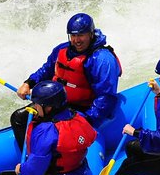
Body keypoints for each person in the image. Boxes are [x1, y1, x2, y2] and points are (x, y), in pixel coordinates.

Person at [10, 13, 121, 145]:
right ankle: (30, 156)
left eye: (81, 35)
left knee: (52, 129)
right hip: (57, 104)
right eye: (73, 35)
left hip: (83, 110)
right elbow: (46, 69)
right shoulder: (62, 49)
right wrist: (29, 83)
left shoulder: (102, 59)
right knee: (18, 118)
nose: (76, 40)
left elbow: (106, 97)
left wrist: (88, 121)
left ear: (91, 34)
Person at [0, 81, 97, 175]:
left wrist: (22, 169)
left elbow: (33, 172)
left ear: (48, 108)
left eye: (36, 104)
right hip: (79, 174)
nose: (34, 107)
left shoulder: (45, 131)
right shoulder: (79, 116)